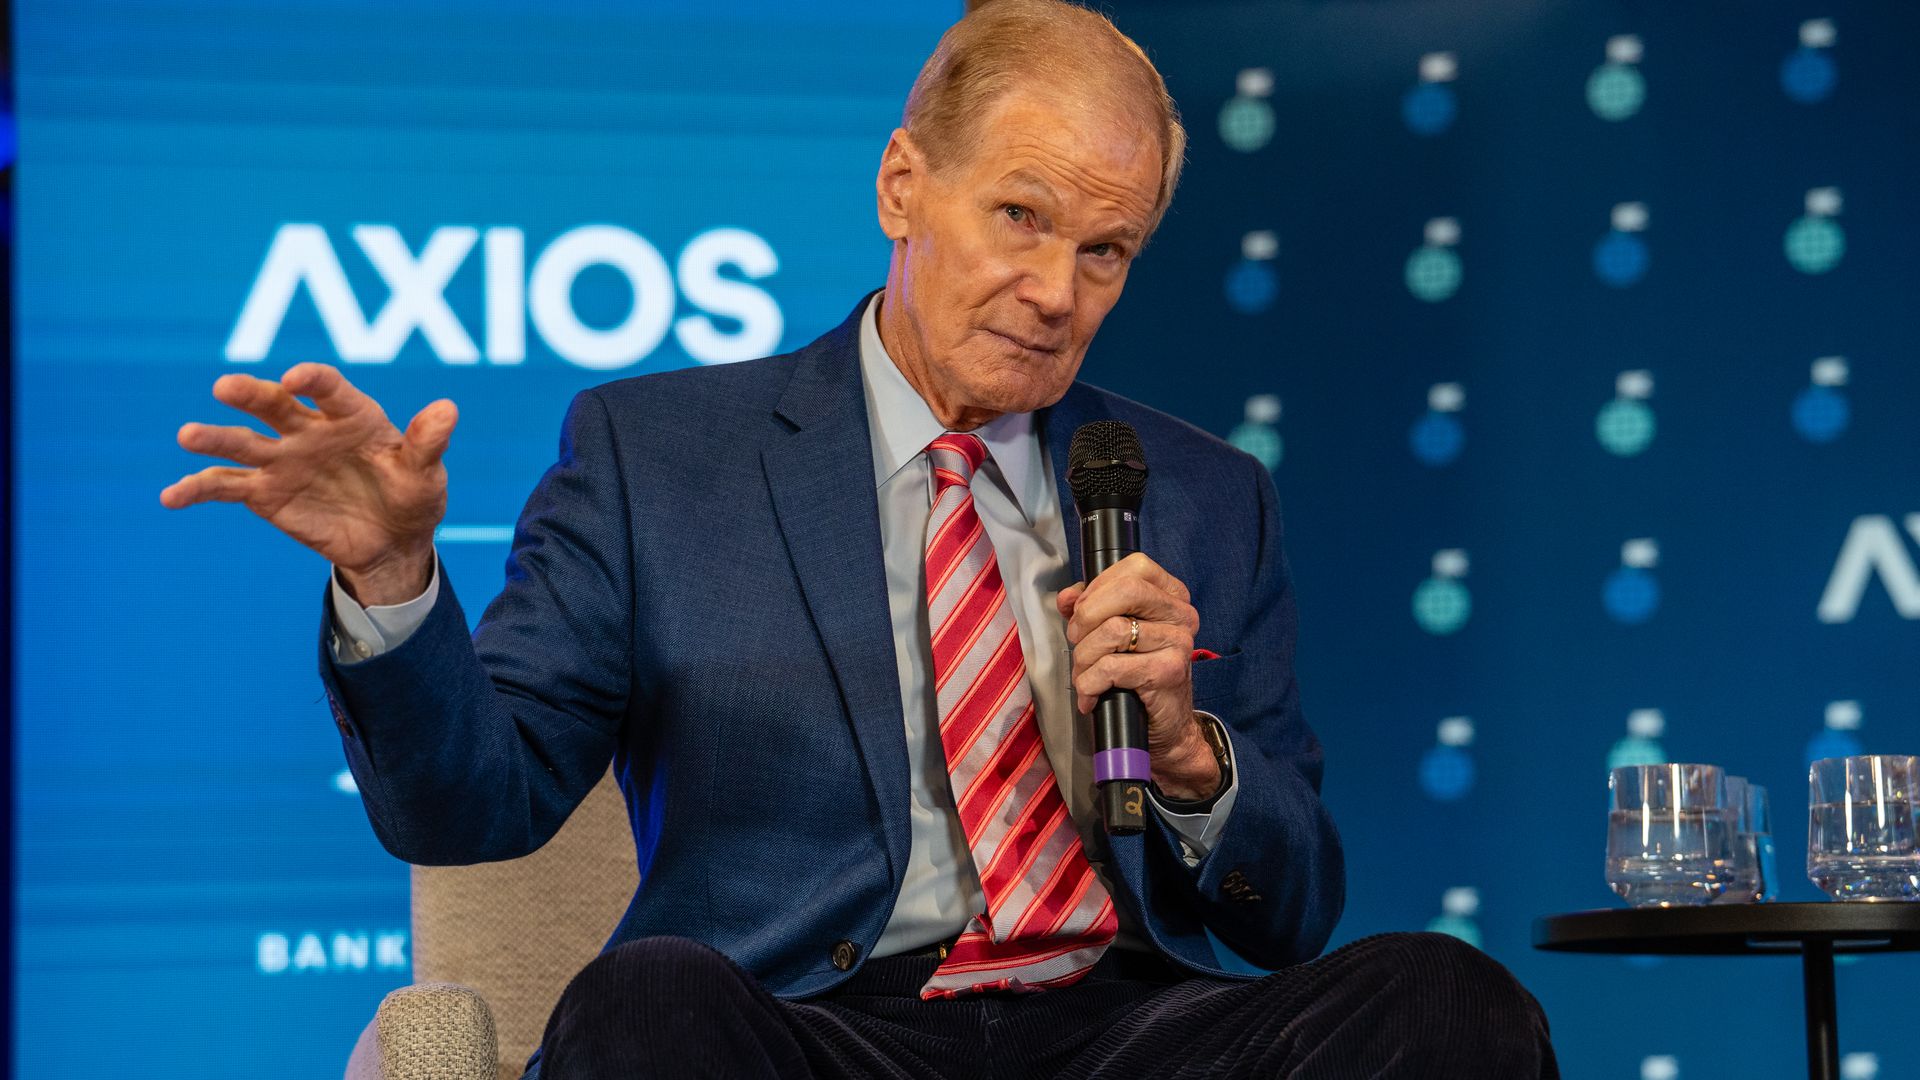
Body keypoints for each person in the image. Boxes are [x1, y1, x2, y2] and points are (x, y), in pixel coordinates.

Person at [163, 1, 1556, 1075]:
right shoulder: (660, 457)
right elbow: (470, 807)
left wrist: (1194, 759)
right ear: (904, 187)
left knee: (1447, 1000)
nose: (1054, 291)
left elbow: (1288, 912)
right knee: (643, 1006)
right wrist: (394, 578)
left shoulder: (1198, 489)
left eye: (1105, 251)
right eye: (1021, 216)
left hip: (1123, 1031)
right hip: (810, 1025)